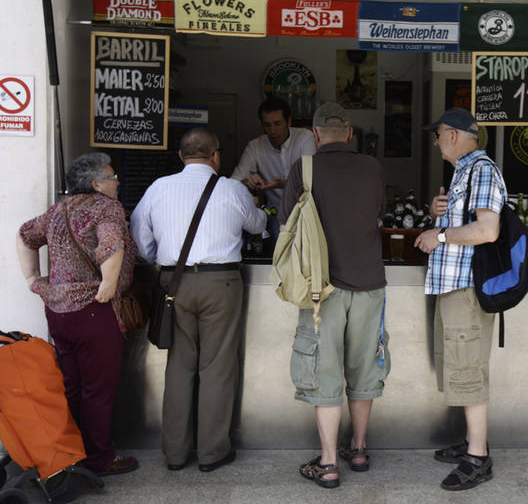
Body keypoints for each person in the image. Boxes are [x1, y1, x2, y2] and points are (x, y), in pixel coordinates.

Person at [130, 128, 266, 472]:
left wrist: (163, 263)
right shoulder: (232, 189)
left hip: (172, 283)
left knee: (179, 366)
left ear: (180, 156)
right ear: (216, 156)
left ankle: (175, 454)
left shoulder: (158, 188)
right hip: (220, 284)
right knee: (218, 367)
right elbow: (257, 225)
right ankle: (212, 453)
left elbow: (140, 240)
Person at [277, 102, 389, 489]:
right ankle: (357, 448)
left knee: (325, 375)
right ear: (351, 133)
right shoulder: (373, 168)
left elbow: (284, 229)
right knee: (363, 370)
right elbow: (378, 214)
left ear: (316, 134)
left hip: (319, 291)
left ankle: (327, 463)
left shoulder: (303, 169)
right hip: (370, 286)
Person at [16, 152, 139, 476]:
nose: (117, 182)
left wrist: (32, 279)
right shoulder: (107, 207)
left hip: (58, 312)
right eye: (112, 177)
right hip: (92, 312)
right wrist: (109, 284)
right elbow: (112, 244)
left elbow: (25, 235)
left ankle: (72, 455)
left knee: (72, 385)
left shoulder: (59, 209)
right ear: (97, 183)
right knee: (98, 390)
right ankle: (100, 459)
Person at [414, 107, 506, 491]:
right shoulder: (463, 174)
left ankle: (478, 457)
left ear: (452, 134)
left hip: (467, 289)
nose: (435, 143)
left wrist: (440, 235)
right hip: (454, 286)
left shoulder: (482, 169)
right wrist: (442, 218)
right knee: (459, 366)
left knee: (468, 370)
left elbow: (487, 230)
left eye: (437, 135)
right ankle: (472, 442)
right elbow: (467, 224)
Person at [232, 97, 317, 211]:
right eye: (267, 125)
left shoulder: (305, 138)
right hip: (276, 213)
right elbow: (233, 183)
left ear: (289, 122)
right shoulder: (255, 146)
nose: (272, 130)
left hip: (308, 211)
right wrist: (249, 182)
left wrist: (283, 184)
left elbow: (310, 180)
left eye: (277, 124)